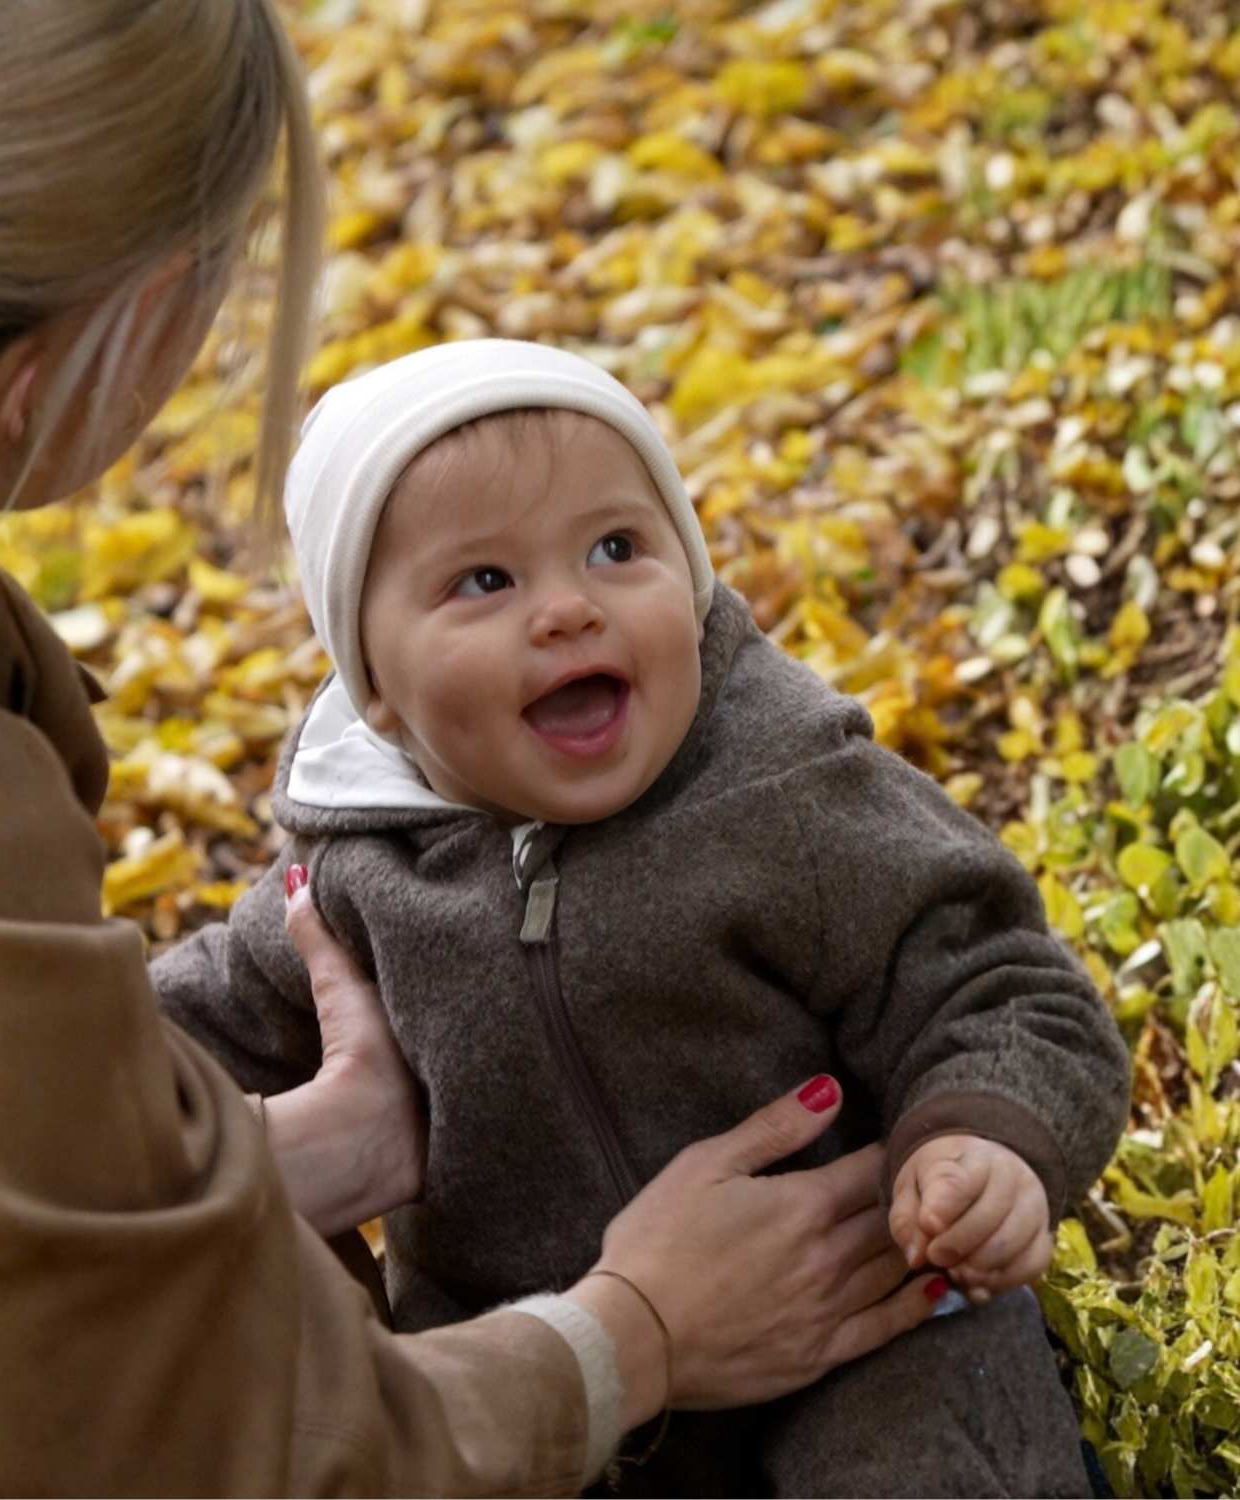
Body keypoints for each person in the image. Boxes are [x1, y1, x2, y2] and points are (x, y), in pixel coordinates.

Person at [0, 3, 951, 1494]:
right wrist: (627, 1334)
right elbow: (182, 1462)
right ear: (114, 333)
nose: (563, 613)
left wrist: (273, 1161)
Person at [154, 339, 1133, 1496]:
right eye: (485, 581)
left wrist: (980, 1141)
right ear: (371, 684)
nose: (569, 608)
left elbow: (997, 982)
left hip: (854, 1305)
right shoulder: (357, 872)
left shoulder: (783, 786)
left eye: (616, 548)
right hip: (541, 1367)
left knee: (917, 1447)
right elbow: (166, 1035)